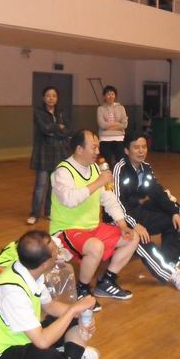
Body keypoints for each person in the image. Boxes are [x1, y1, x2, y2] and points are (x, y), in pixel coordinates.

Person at [0, 230, 99, 359]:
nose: (58, 252)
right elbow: (42, 342)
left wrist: (80, 313)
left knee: (72, 318)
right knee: (47, 357)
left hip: (26, 338)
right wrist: (73, 310)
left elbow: (49, 306)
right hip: (0, 353)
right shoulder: (13, 292)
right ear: (45, 264)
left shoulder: (30, 270)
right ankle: (65, 355)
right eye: (55, 251)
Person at [50, 129, 138, 312]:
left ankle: (106, 281)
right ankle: (82, 290)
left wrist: (122, 224)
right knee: (96, 247)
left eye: (98, 147)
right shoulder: (63, 171)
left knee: (132, 237)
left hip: (92, 229)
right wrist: (98, 182)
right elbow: (69, 200)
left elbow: (108, 199)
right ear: (79, 149)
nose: (98, 151)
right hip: (66, 231)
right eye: (94, 147)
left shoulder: (95, 169)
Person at [113, 132, 180, 290]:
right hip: (120, 220)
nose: (141, 151)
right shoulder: (119, 169)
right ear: (127, 150)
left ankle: (169, 262)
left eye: (144, 147)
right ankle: (168, 273)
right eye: (136, 147)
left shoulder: (146, 168)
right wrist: (134, 225)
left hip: (137, 213)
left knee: (172, 222)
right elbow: (117, 203)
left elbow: (158, 192)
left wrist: (174, 212)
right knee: (141, 239)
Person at [27, 86, 70, 225]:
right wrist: (58, 127)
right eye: (48, 95)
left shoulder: (61, 112)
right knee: (40, 184)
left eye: (54, 95)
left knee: (54, 185)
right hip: (43, 151)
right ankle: (34, 214)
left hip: (58, 151)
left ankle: (48, 211)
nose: (51, 98)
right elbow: (44, 129)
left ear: (57, 98)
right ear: (43, 98)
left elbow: (67, 130)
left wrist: (56, 129)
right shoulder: (38, 111)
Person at [97, 85, 127, 168]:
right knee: (106, 162)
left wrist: (109, 127)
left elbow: (124, 124)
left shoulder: (121, 108)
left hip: (119, 138)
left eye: (112, 94)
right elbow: (102, 124)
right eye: (108, 94)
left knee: (121, 162)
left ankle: (120, 175)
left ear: (115, 96)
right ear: (104, 96)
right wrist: (117, 124)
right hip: (104, 138)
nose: (110, 96)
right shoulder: (100, 109)